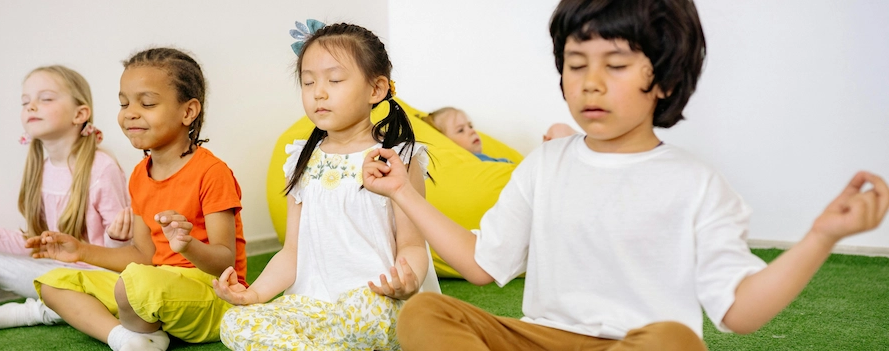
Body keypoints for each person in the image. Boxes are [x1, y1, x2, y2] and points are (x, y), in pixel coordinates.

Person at [360, 0, 889, 350]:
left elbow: (739, 312)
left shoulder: (696, 183)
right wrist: (403, 191)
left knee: (675, 342)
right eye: (575, 63)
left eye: (615, 65)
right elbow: (481, 265)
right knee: (426, 312)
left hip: (636, 344)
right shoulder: (544, 164)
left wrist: (822, 236)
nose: (591, 83)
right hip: (544, 339)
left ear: (664, 79)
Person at [214, 22, 439, 351]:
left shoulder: (398, 157)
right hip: (313, 306)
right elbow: (292, 252)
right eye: (308, 82)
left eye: (334, 80)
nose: (318, 91)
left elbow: (412, 245)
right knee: (235, 323)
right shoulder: (299, 160)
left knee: (368, 316)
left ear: (376, 90)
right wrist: (254, 294)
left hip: (377, 302)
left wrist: (408, 282)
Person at [29, 48, 247, 351]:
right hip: (153, 284)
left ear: (188, 112)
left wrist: (187, 245)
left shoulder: (212, 172)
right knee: (54, 282)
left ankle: (139, 332)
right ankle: (125, 338)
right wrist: (80, 250)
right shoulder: (138, 175)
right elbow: (144, 255)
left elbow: (224, 261)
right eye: (124, 103)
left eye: (147, 103)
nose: (130, 112)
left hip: (211, 293)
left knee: (136, 284)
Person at [0, 65, 130, 337]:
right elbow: (38, 245)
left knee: (68, 291)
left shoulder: (102, 168)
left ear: (80, 114)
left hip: (94, 277)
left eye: (45, 98)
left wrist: (117, 237)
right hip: (54, 271)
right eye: (25, 102)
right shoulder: (41, 169)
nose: (31, 106)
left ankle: (32, 312)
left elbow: (124, 255)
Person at [424, 107, 575, 163]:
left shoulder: (485, 159)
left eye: (470, 126)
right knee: (559, 131)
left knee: (560, 131)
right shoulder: (473, 163)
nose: (471, 131)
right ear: (446, 142)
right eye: (460, 130)